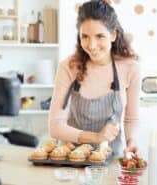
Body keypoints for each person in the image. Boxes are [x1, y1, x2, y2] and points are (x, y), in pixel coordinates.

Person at [48, 0, 140, 157]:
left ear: (113, 35)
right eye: (85, 36)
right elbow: (55, 126)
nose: (92, 45)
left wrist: (132, 141)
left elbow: (131, 118)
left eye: (99, 36)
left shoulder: (130, 68)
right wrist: (96, 137)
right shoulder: (68, 67)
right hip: (72, 158)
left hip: (110, 157)